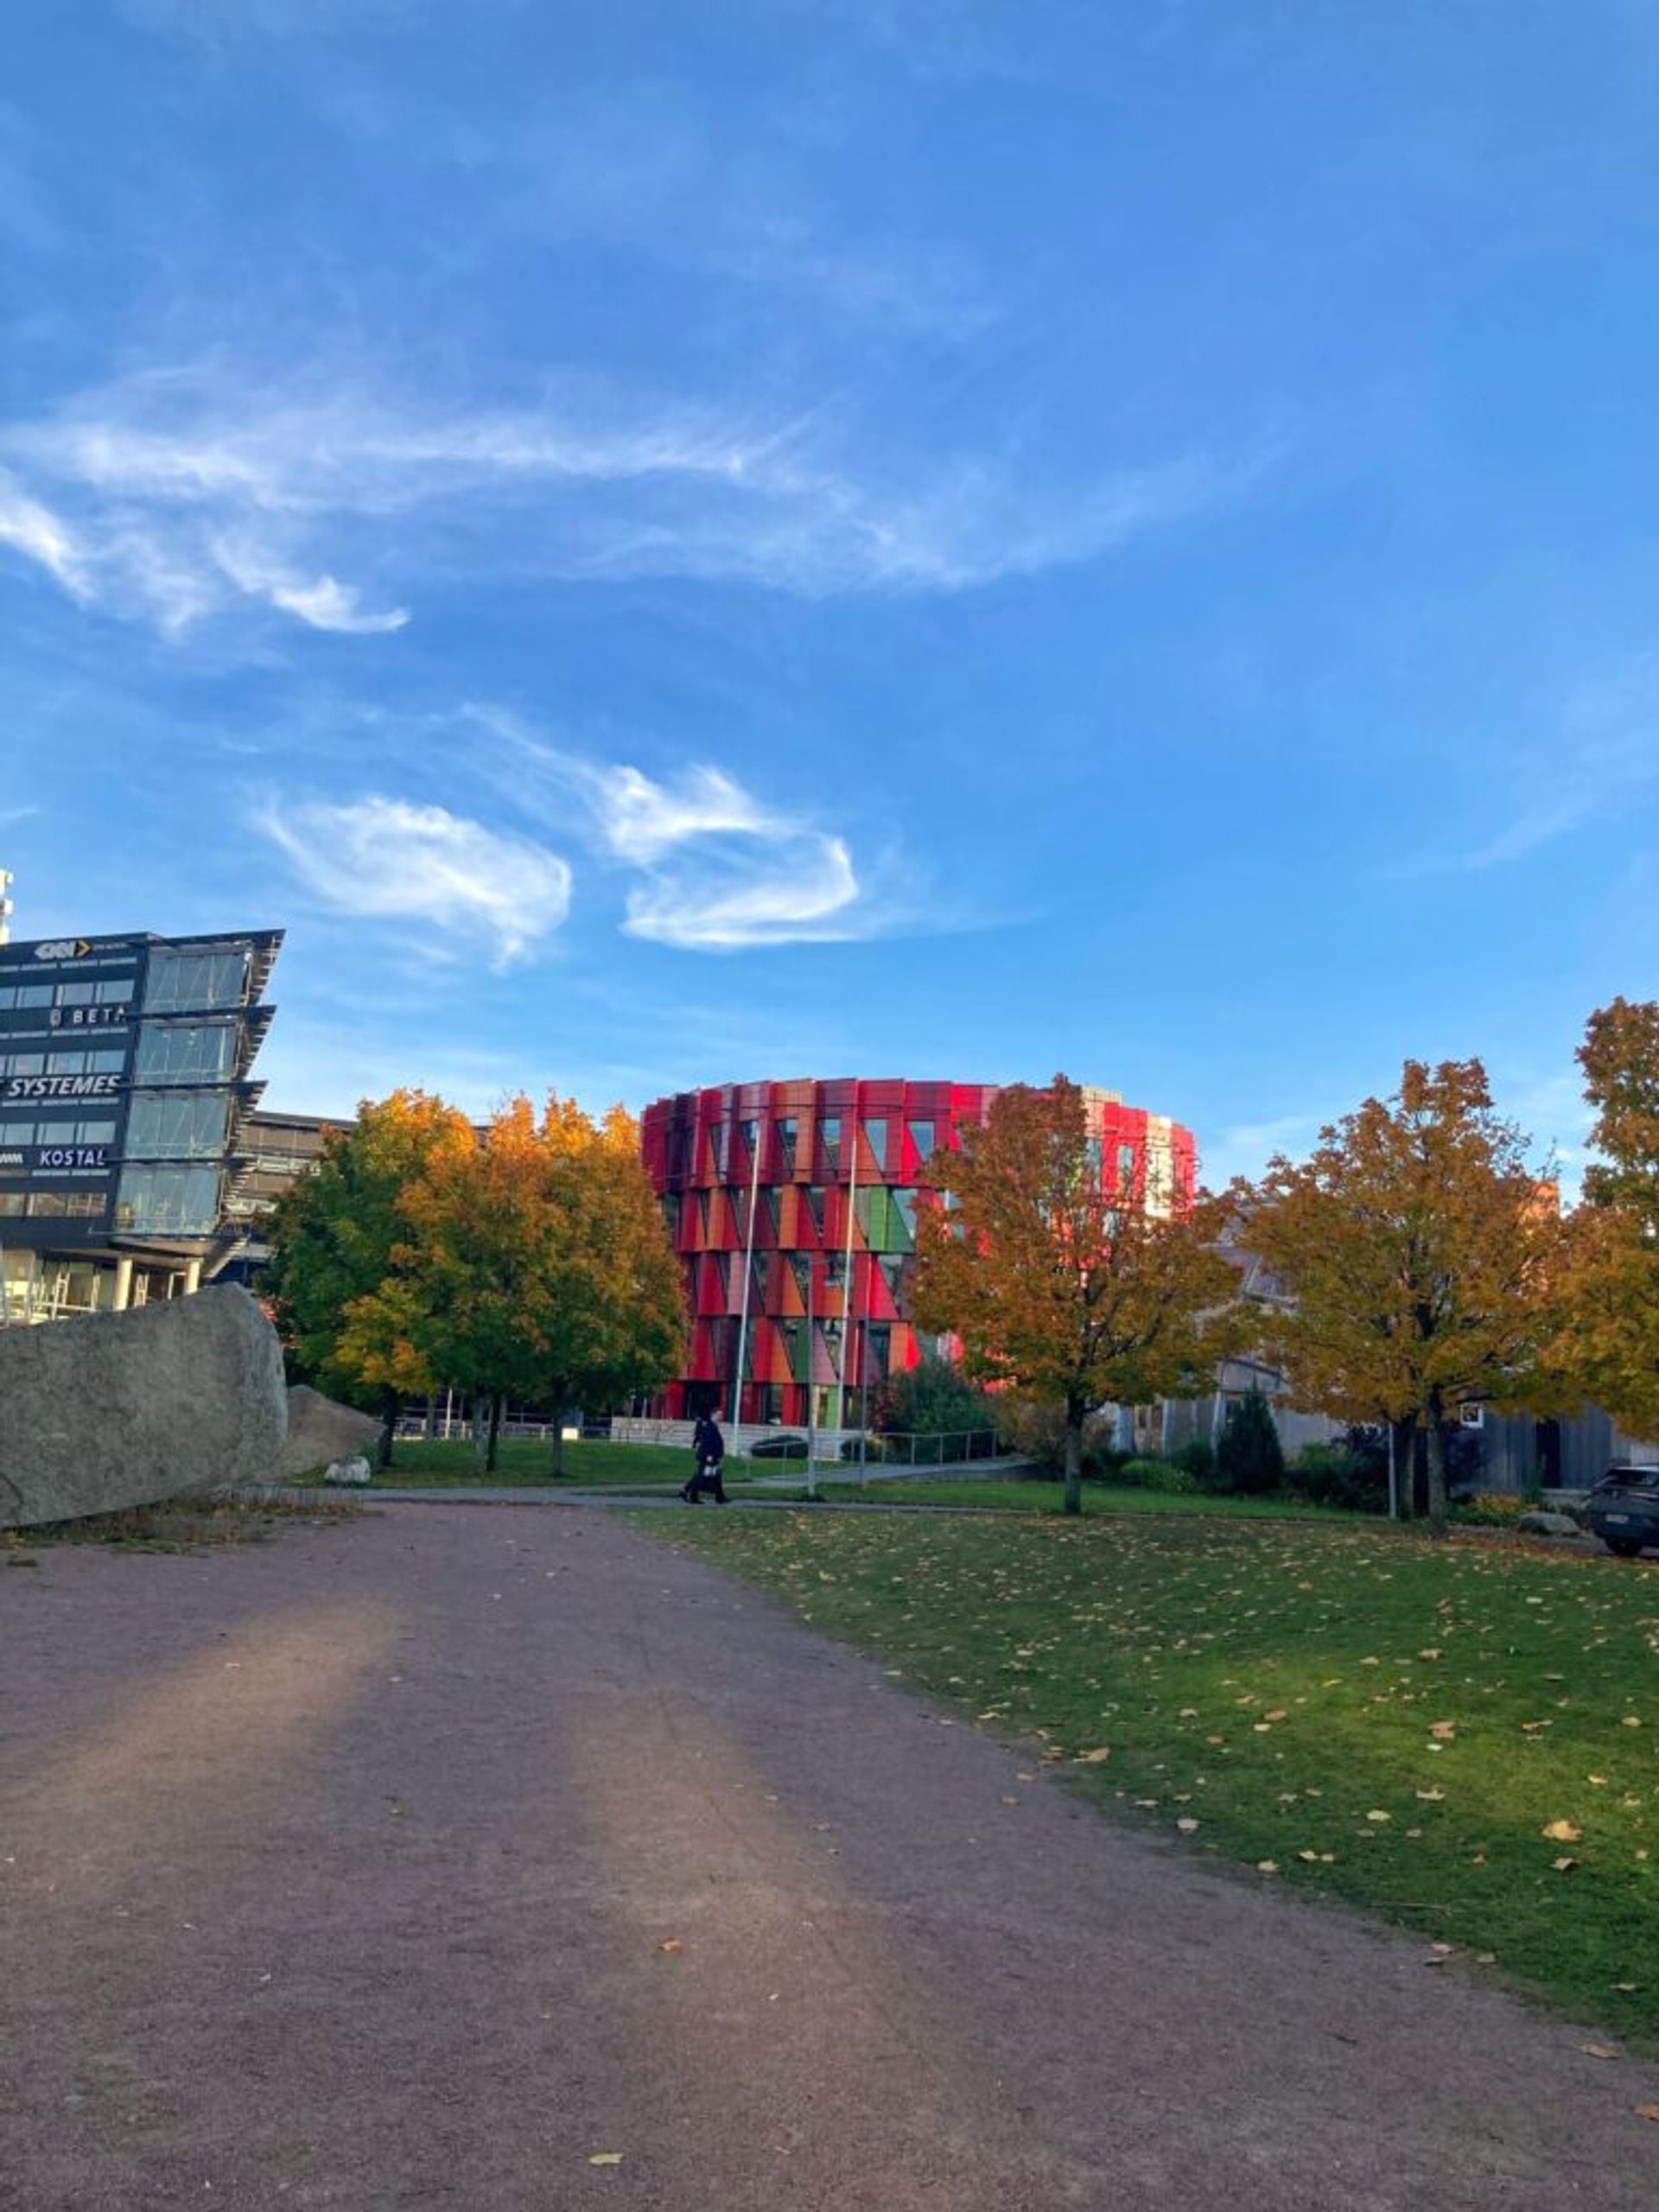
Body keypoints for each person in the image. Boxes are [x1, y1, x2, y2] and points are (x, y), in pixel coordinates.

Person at [682, 1409, 728, 1504]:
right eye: (719, 1415)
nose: (721, 1416)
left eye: (721, 1415)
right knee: (702, 1476)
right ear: (713, 1415)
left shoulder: (712, 1426)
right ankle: (688, 1492)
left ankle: (720, 1497)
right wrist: (709, 1456)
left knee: (715, 1475)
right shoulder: (709, 1426)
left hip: (712, 1455)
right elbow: (708, 1442)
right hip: (708, 1455)